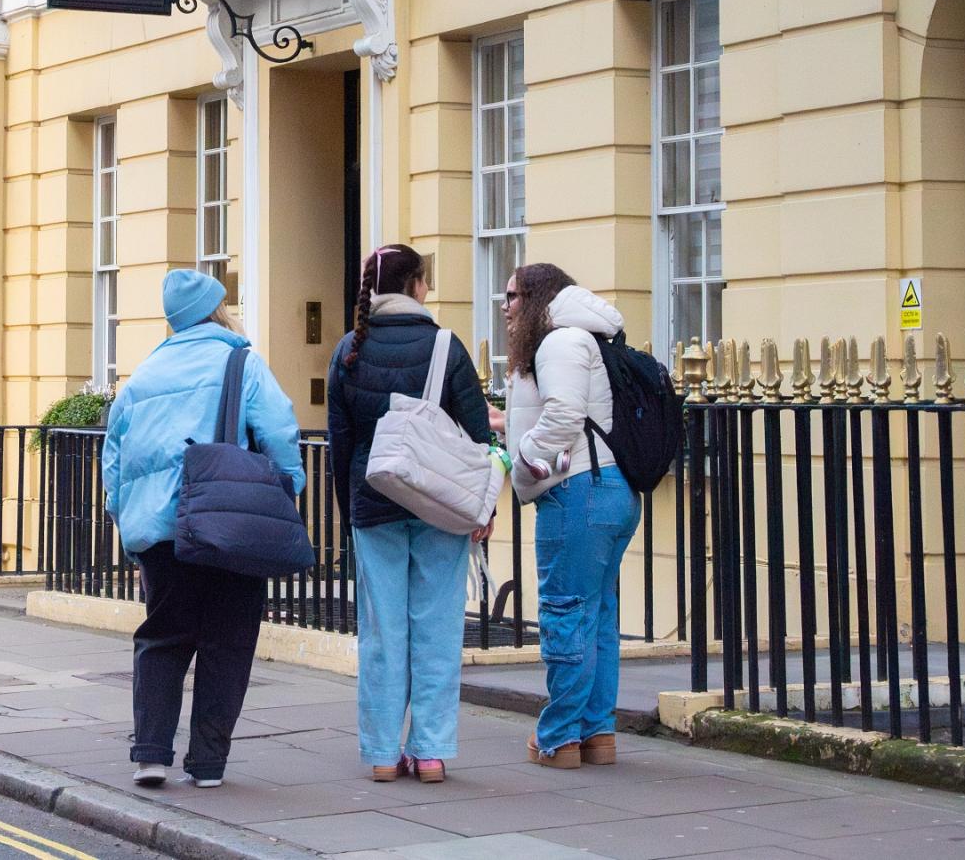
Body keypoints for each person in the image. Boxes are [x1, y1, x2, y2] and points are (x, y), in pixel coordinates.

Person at [101, 269, 306, 790]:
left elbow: (114, 462)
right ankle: (208, 764)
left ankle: (150, 753)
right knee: (228, 641)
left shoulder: (141, 378)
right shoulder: (242, 363)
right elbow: (279, 433)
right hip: (227, 522)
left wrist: (126, 519)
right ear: (217, 311)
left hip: (160, 534)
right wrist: (289, 489)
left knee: (163, 635)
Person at [327, 244, 498, 784]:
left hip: (372, 502)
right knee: (436, 629)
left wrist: (348, 506)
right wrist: (484, 506)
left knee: (381, 632)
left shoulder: (348, 350)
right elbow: (476, 435)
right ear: (417, 285)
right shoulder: (446, 347)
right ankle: (429, 753)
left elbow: (340, 442)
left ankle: (381, 753)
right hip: (440, 507)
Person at [502, 263, 641, 770]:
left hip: (578, 493)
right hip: (613, 491)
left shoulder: (560, 342)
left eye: (514, 295)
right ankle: (596, 733)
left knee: (565, 613)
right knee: (598, 616)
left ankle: (559, 738)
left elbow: (563, 416)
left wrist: (523, 465)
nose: (506, 305)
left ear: (538, 297)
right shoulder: (591, 338)